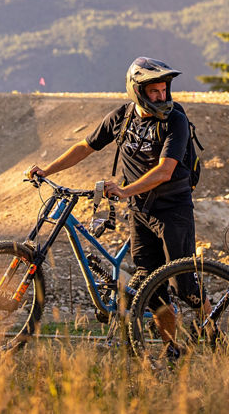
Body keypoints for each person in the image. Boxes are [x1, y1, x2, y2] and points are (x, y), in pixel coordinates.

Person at [27, 56, 198, 355]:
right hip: (141, 211)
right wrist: (47, 170)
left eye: (163, 90)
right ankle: (171, 348)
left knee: (185, 286)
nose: (161, 96)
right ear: (138, 92)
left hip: (173, 209)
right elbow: (85, 146)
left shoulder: (176, 121)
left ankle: (214, 331)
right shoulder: (123, 117)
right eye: (154, 91)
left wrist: (123, 190)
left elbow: (164, 171)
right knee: (152, 287)